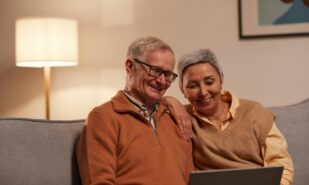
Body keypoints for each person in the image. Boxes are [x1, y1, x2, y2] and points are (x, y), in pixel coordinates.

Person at [163, 49, 294, 185]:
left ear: (221, 79)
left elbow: (281, 164)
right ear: (182, 90)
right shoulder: (182, 118)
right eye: (193, 86)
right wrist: (168, 100)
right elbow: (145, 105)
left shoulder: (254, 112)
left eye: (209, 82)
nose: (203, 92)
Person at [76, 36, 194, 185]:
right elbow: (99, 181)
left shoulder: (177, 120)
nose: (162, 81)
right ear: (130, 67)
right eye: (156, 71)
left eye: (168, 74)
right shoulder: (103, 118)